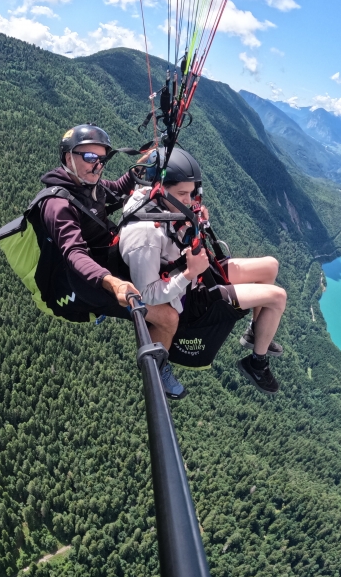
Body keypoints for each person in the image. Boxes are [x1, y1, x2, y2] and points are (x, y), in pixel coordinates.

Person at [118, 147, 287, 394]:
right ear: (160, 187)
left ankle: (254, 333)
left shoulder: (152, 198)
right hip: (188, 296)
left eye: (192, 193)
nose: (189, 200)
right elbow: (147, 295)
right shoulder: (144, 234)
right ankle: (256, 363)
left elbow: (174, 233)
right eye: (182, 194)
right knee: (277, 297)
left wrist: (197, 222)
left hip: (197, 274)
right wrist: (189, 273)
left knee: (270, 266)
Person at [36, 125, 186, 398]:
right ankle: (158, 373)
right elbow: (74, 254)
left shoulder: (89, 185)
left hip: (106, 259)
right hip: (88, 281)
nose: (98, 166)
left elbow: (117, 187)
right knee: (168, 318)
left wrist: (143, 164)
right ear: (68, 156)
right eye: (89, 158)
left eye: (102, 160)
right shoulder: (58, 205)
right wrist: (113, 283)